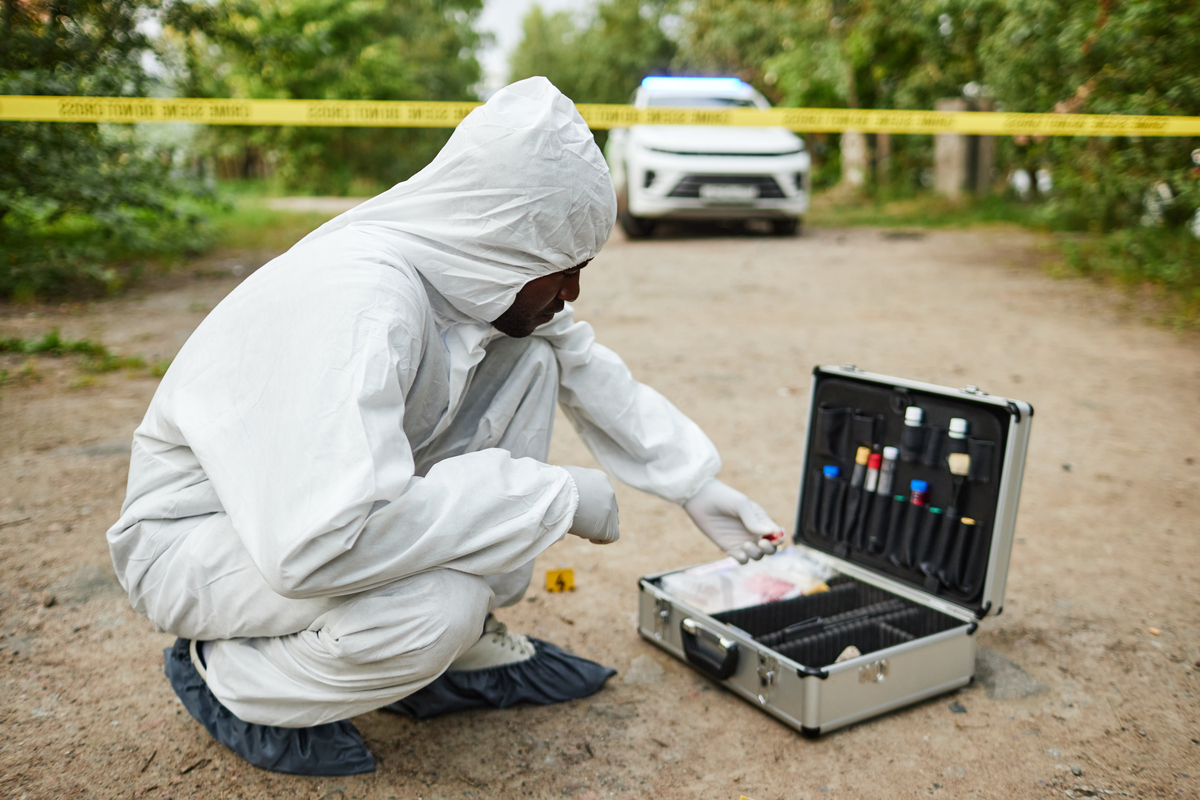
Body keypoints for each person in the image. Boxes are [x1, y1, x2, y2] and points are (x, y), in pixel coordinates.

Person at [105, 78, 783, 776]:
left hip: (301, 520)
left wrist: (696, 485)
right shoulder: (362, 306)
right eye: (564, 271)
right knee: (435, 609)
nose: (573, 291)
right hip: (202, 539)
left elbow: (583, 362)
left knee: (535, 355)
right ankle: (227, 675)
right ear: (504, 246)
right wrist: (547, 496)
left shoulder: (469, 274)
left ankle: (451, 650)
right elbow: (316, 543)